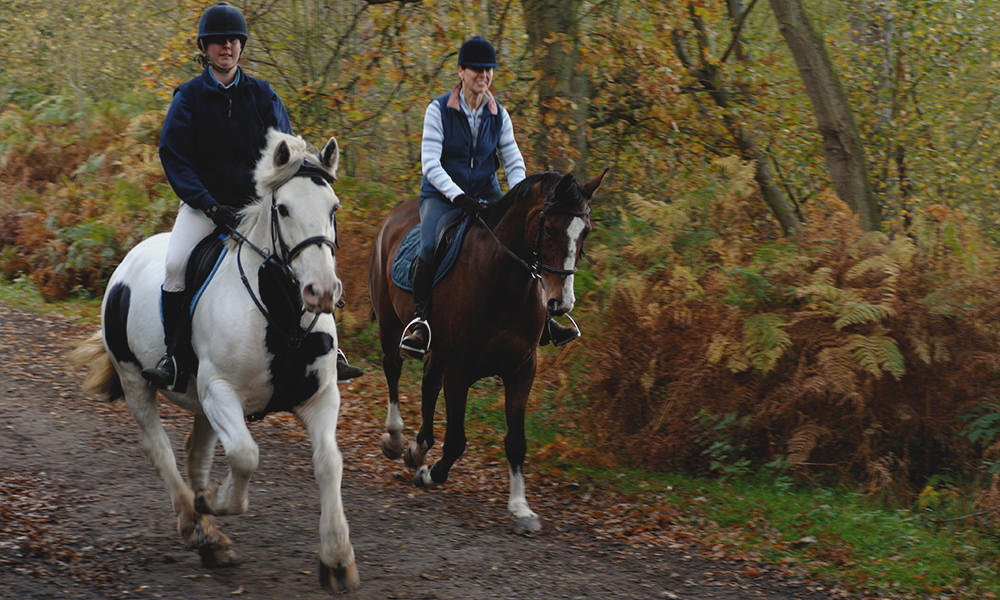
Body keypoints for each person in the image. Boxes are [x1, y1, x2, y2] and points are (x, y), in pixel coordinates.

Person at [142, 1, 362, 391]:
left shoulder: (263, 96)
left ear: (241, 46)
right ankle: (174, 356)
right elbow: (173, 157)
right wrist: (207, 203)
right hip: (204, 207)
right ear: (205, 48)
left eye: (233, 40)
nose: (226, 47)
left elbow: (288, 156)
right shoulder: (188, 98)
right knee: (175, 266)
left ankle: (329, 350)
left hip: (260, 209)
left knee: (306, 255)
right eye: (217, 42)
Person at [398, 36, 580, 358]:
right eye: (476, 69)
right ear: (461, 71)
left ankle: (544, 321)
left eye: (488, 70)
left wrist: (522, 199)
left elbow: (513, 162)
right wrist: (456, 196)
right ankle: (420, 321)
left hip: (486, 192)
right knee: (429, 245)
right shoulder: (437, 110)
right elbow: (430, 164)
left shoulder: (500, 115)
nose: (483, 75)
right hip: (441, 195)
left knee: (527, 239)